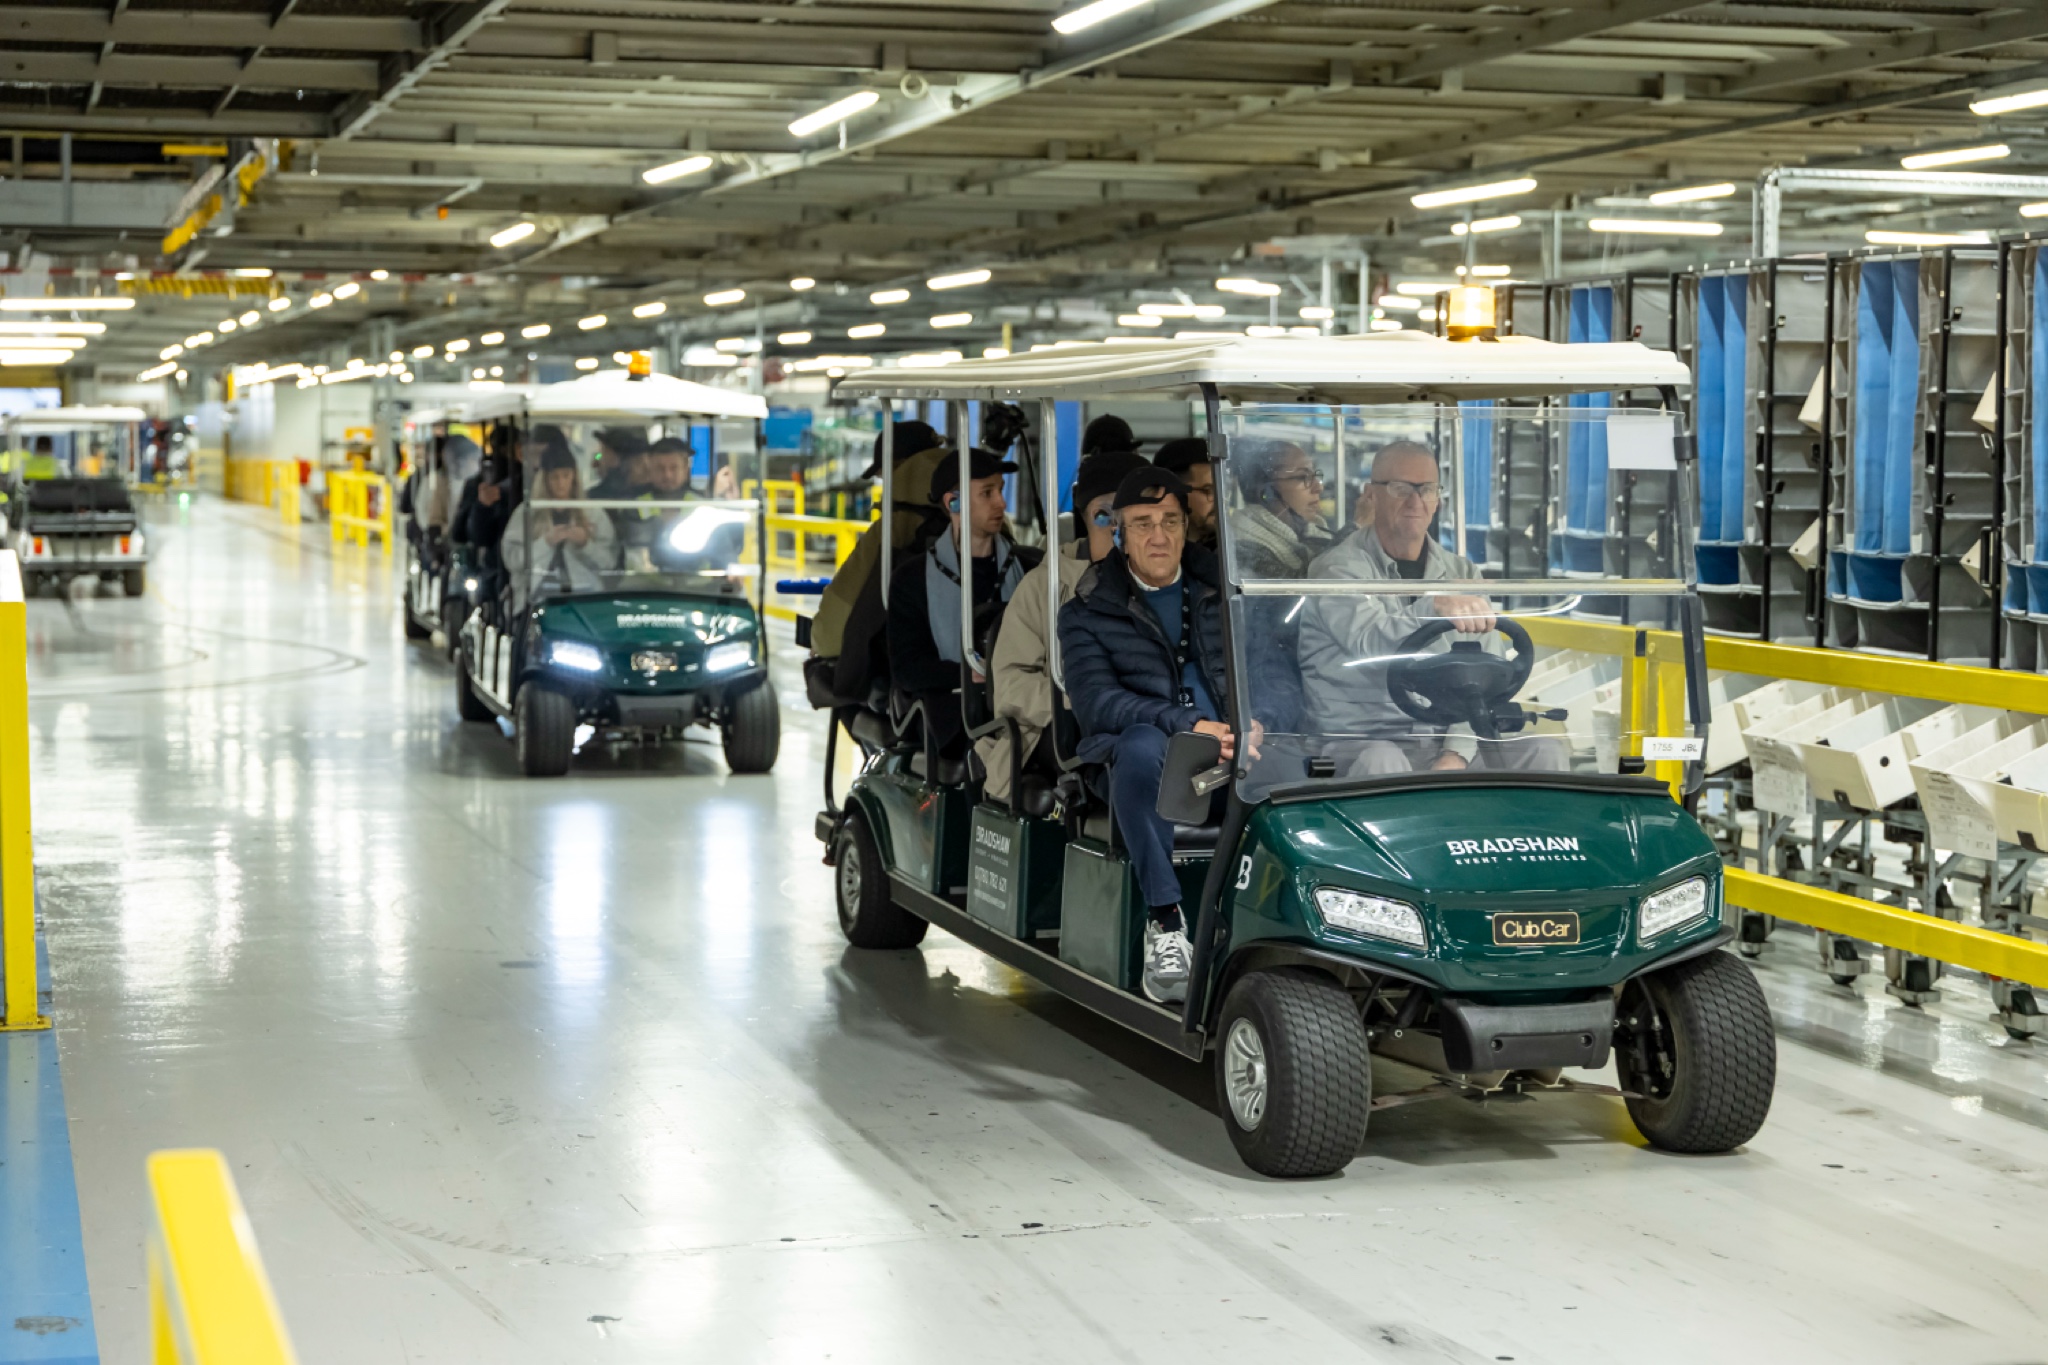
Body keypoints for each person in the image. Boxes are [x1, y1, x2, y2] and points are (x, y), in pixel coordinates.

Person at [1059, 468, 1297, 1004]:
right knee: (1141, 745)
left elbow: (1278, 675)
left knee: (1309, 764)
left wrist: (1258, 719)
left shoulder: (1228, 594)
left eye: (1170, 521)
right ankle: (1165, 923)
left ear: (1187, 528)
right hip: (1150, 768)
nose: (1159, 536)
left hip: (1238, 757)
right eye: (1143, 524)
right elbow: (1098, 704)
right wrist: (1188, 725)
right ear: (1119, 533)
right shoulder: (1086, 612)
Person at [1297, 440, 1564, 776]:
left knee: (1544, 751)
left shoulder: (1461, 572)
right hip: (1361, 741)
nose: (1415, 501)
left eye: (1427, 489)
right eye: (1400, 488)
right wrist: (1434, 605)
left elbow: (1486, 683)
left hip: (1442, 739)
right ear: (1371, 495)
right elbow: (1370, 646)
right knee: (1383, 760)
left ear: (1438, 500)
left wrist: (1455, 754)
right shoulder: (1337, 570)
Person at [976, 447, 1149, 802]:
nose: (1119, 528)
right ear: (1086, 517)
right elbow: (1009, 685)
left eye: (1138, 517)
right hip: (1057, 728)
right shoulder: (1044, 586)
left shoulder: (1165, 581)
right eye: (1105, 515)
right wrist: (1080, 698)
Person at [886, 447, 1039, 757]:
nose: (1001, 503)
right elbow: (908, 668)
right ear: (952, 502)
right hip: (953, 709)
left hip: (1020, 699)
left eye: (1000, 490)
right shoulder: (912, 579)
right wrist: (968, 675)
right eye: (987, 493)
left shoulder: (1028, 568)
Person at [807, 421, 950, 704]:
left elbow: (840, 610)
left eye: (883, 476)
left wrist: (819, 642)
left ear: (898, 468)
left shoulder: (895, 526)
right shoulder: (982, 510)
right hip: (977, 658)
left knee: (832, 679)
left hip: (909, 672)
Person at [501, 435, 616, 607]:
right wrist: (546, 542)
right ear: (545, 479)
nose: (561, 483)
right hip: (536, 597)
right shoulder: (527, 513)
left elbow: (609, 563)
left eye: (565, 476)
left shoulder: (593, 514)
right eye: (555, 477)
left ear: (574, 477)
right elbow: (512, 560)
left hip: (584, 596)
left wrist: (585, 544)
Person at [1232, 438, 1334, 578]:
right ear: (1268, 492)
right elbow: (1297, 586)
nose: (1319, 487)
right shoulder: (1242, 544)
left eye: (1315, 476)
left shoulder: (1314, 530)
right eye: (1302, 477)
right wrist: (1356, 527)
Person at [1152, 437, 1215, 548]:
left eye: (1223, 491)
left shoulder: (1229, 549)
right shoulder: (1151, 549)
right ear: (1174, 493)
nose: (1221, 501)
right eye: (1209, 490)